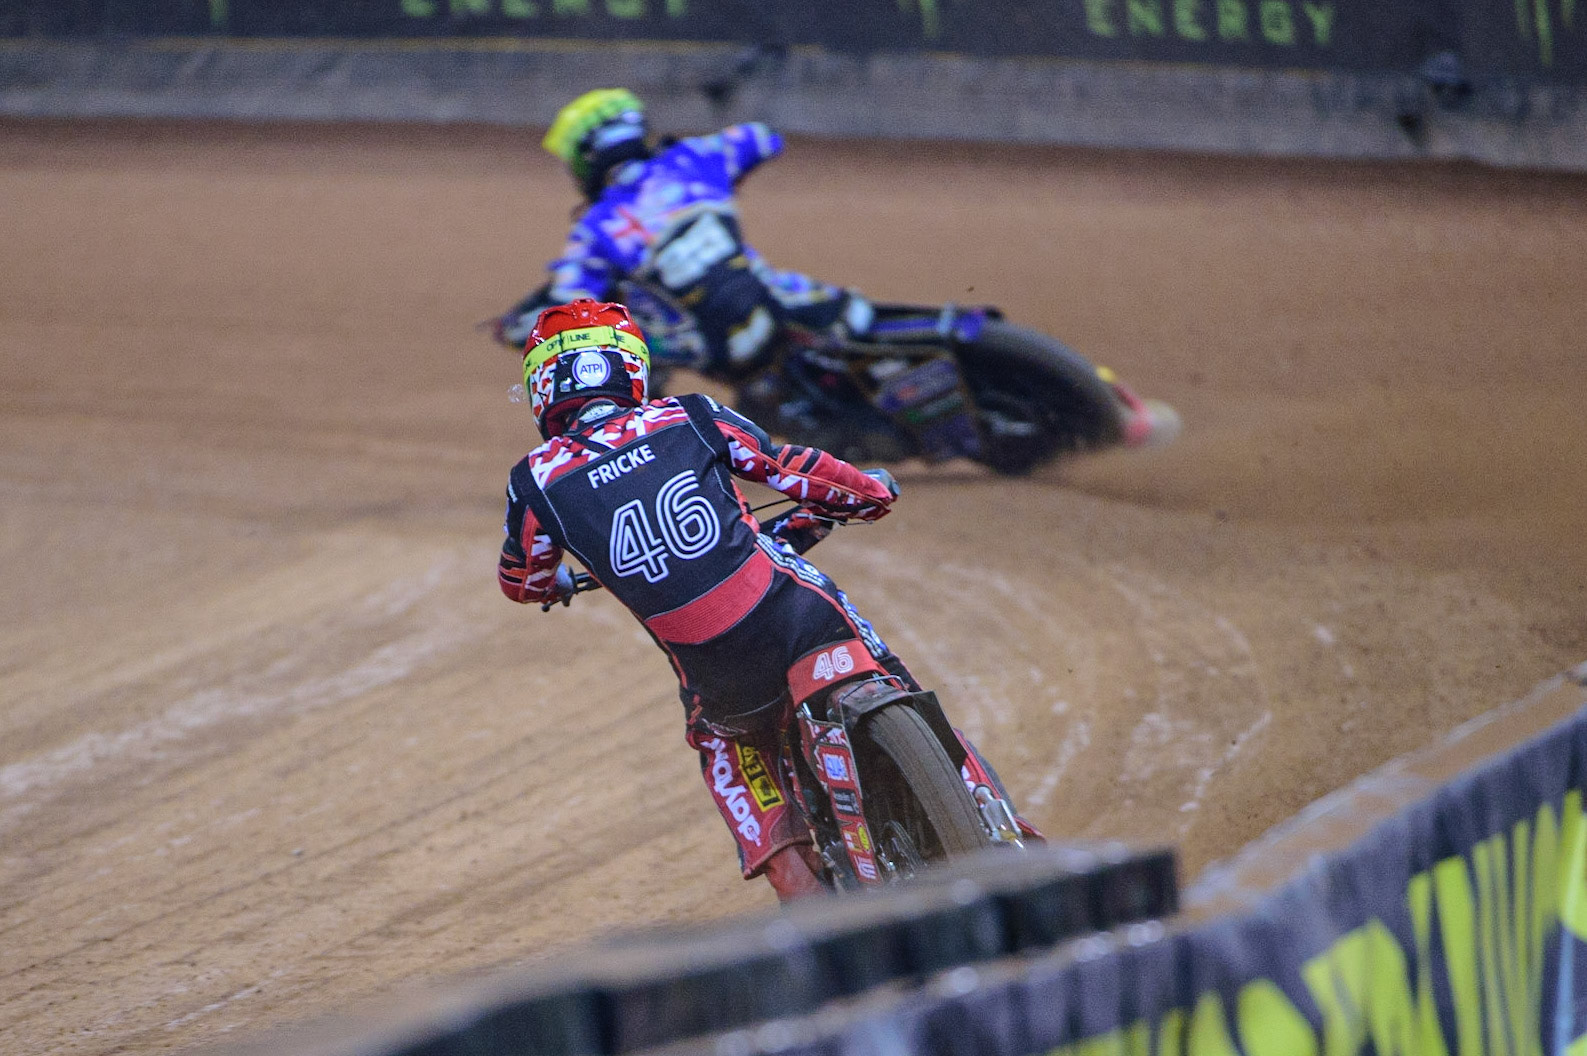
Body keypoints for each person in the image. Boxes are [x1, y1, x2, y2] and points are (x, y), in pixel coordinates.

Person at [497, 298, 1035, 901]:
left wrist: (560, 584)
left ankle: (806, 898)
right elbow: (791, 469)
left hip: (720, 683)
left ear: (543, 387)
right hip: (800, 621)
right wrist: (869, 492)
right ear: (631, 369)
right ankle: (1003, 824)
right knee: (887, 670)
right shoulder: (689, 416)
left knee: (727, 761)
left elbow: (521, 580)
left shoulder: (534, 480)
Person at [497, 88, 873, 382]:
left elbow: (570, 300)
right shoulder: (695, 158)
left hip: (718, 349)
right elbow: (764, 138)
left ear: (589, 155)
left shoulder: (594, 229)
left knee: (627, 330)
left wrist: (523, 324)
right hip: (777, 300)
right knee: (856, 313)